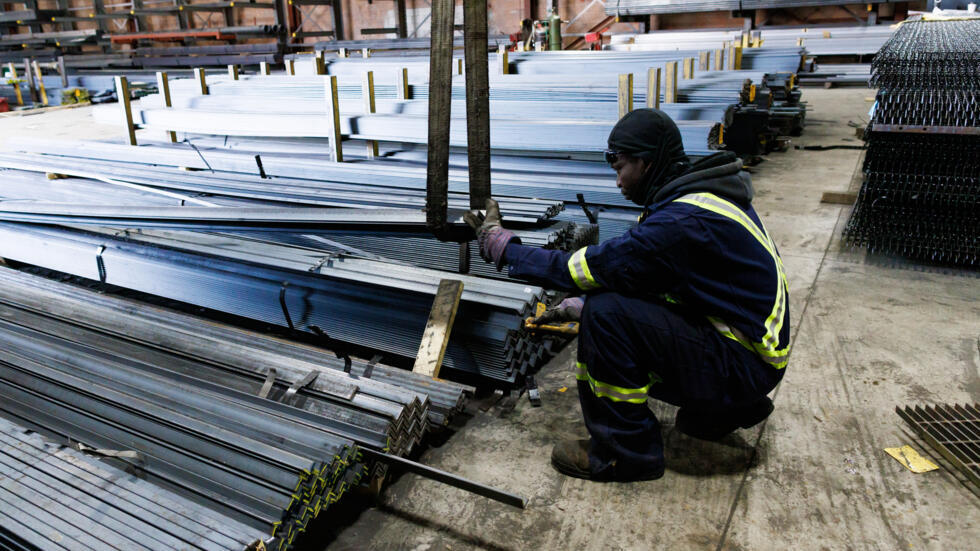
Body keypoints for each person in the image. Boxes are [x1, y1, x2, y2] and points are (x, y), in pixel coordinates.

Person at [464, 109, 790, 482]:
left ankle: (625, 455)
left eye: (620, 168)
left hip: (744, 364)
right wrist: (579, 303)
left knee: (605, 316)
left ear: (647, 163)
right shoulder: (701, 197)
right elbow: (664, 282)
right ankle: (724, 408)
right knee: (606, 307)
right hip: (753, 353)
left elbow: (585, 268)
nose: (617, 180)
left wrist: (506, 250)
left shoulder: (680, 222)